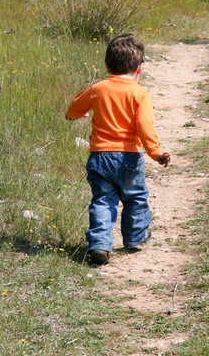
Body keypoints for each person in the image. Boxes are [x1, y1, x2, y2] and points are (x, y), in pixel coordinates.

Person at [65, 33, 171, 265]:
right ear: (140, 68)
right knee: (135, 198)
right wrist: (155, 152)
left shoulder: (98, 88)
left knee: (103, 200)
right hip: (129, 158)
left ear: (106, 65)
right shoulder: (140, 94)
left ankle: (100, 245)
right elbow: (144, 126)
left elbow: (73, 109)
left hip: (100, 156)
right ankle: (135, 237)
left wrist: (73, 116)